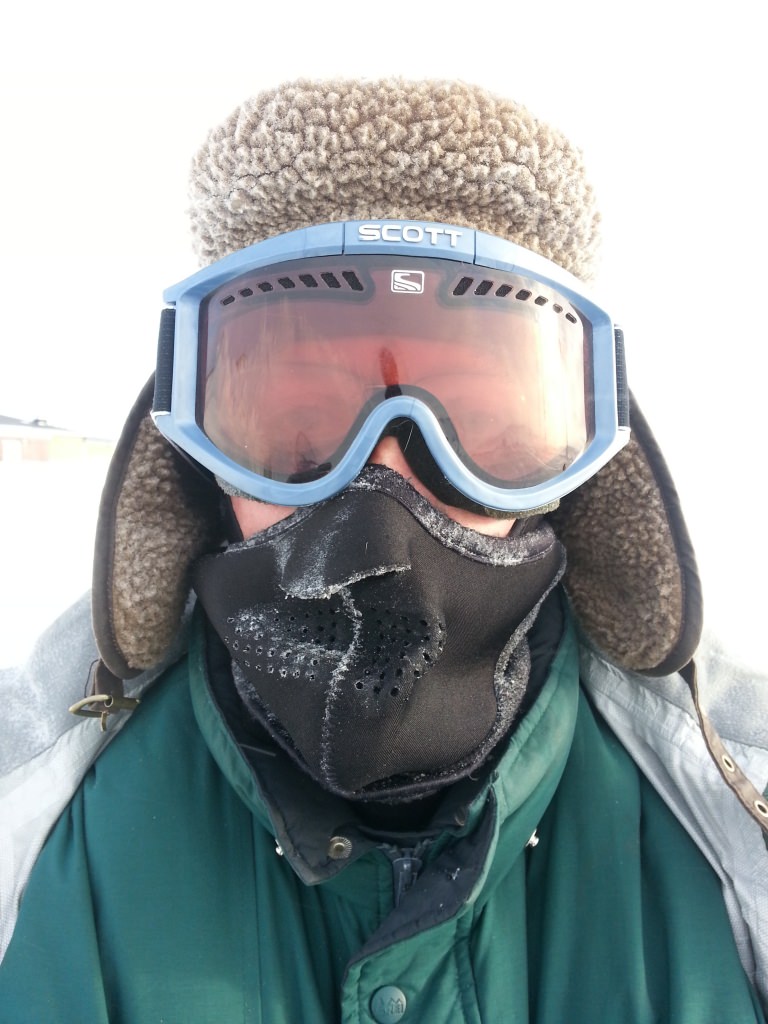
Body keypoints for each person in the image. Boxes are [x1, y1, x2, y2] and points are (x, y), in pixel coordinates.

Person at [1, 78, 766, 1023]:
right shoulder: (30, 828)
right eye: (301, 420)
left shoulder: (734, 817)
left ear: (580, 463)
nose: (385, 487)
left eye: (481, 423)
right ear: (197, 452)